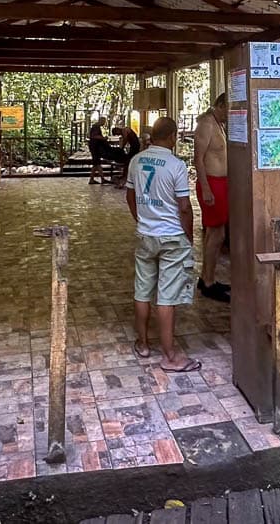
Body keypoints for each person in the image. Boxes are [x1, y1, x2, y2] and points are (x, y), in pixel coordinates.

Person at [126, 116, 200, 372]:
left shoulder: (136, 160)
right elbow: (184, 207)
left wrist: (142, 219)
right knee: (167, 296)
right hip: (172, 236)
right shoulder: (176, 165)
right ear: (172, 136)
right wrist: (188, 236)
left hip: (146, 235)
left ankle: (144, 344)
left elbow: (130, 195)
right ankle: (169, 356)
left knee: (142, 290)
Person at [193, 92, 230, 302]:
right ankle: (208, 282)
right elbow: (198, 158)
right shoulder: (206, 124)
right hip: (212, 183)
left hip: (221, 183)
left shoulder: (220, 124)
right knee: (217, 234)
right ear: (221, 105)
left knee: (215, 233)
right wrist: (206, 188)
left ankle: (207, 277)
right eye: (229, 109)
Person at [87, 116, 110, 185]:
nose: (104, 123)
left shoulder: (96, 126)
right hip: (95, 147)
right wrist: (103, 138)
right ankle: (102, 179)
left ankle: (93, 179)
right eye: (104, 121)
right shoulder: (96, 127)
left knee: (96, 163)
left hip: (95, 147)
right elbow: (94, 136)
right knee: (97, 163)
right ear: (101, 121)